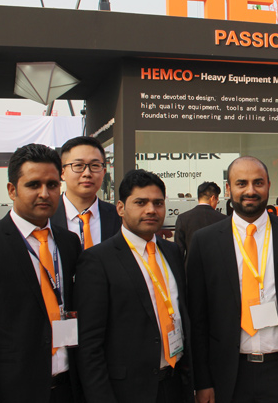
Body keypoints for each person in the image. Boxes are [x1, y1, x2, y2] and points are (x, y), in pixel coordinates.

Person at [0, 143, 83, 403]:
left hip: (68, 389)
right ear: (12, 190)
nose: (45, 193)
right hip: (13, 392)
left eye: (52, 185)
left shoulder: (69, 243)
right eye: (33, 185)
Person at [187, 156, 278, 403]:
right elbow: (197, 317)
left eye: (258, 183)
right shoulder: (204, 241)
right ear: (228, 188)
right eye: (241, 183)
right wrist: (203, 380)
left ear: (268, 185)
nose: (250, 191)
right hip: (228, 375)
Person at [74, 169, 191, 402]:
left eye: (158, 203)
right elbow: (89, 346)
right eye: (140, 202)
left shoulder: (172, 252)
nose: (151, 210)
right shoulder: (98, 260)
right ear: (120, 208)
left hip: (175, 384)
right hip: (128, 391)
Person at [51, 136, 121, 249]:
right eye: (78, 165)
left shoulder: (118, 217)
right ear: (62, 172)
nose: (87, 173)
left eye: (95, 165)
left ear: (104, 172)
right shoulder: (47, 216)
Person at [174, 180, 225, 260]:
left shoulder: (183, 218)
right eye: (217, 201)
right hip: (217, 266)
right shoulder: (223, 220)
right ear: (213, 198)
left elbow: (178, 251)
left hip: (191, 266)